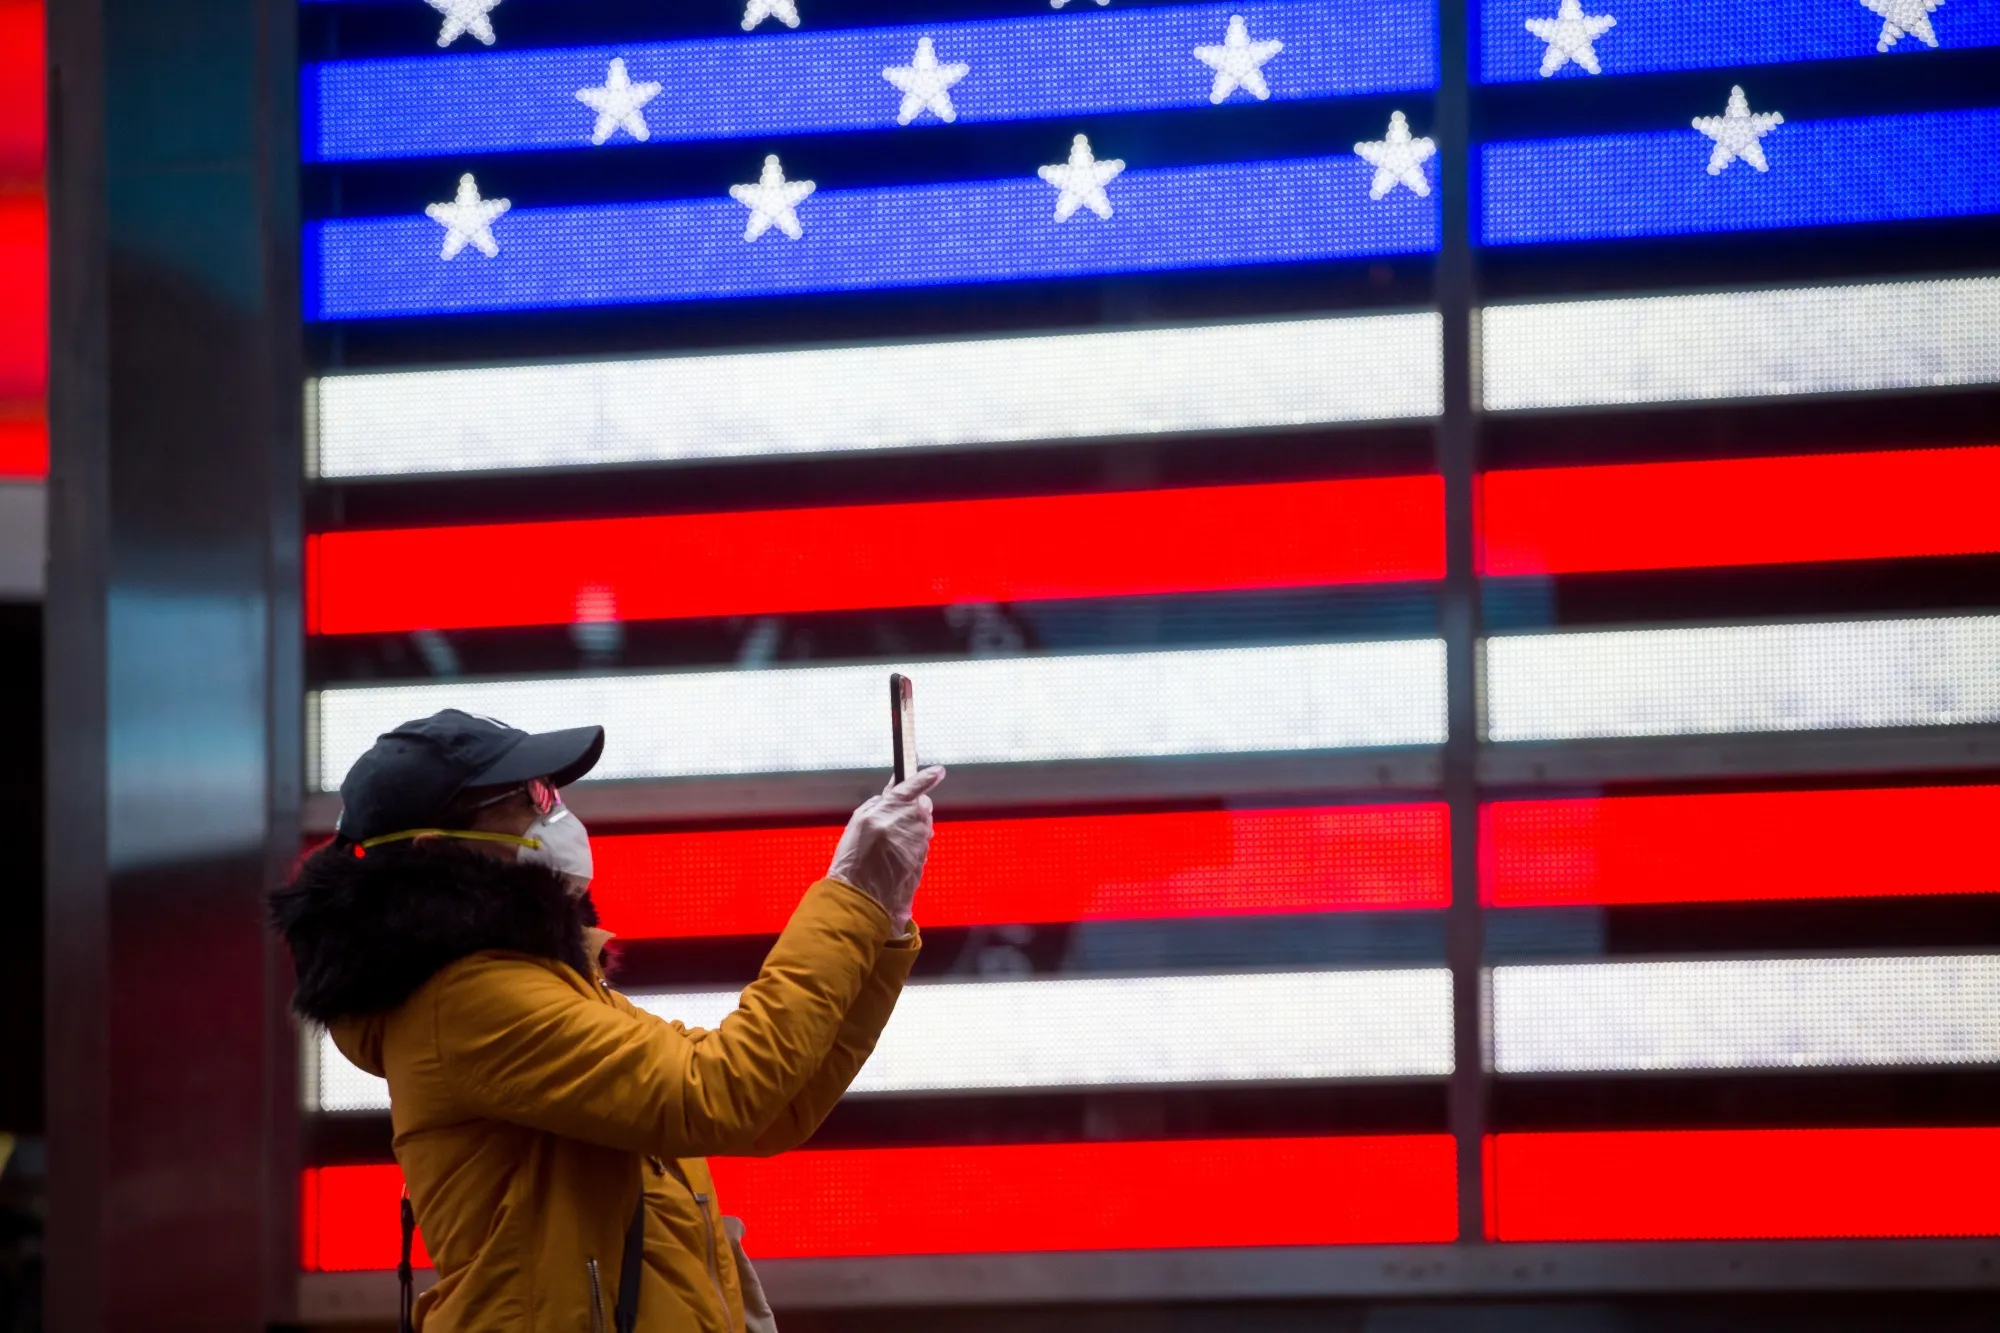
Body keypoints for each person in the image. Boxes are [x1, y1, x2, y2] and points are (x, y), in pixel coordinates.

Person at [271, 709, 943, 1333]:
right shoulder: (469, 998)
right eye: (530, 796)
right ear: (432, 847)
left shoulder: (530, 975)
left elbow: (772, 1107)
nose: (556, 809)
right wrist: (852, 893)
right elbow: (719, 1090)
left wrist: (882, 923)